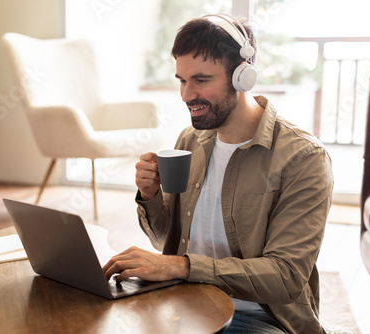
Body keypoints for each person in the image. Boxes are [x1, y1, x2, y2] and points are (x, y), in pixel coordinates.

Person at [102, 13, 333, 334]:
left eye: (201, 80)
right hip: (182, 300)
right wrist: (151, 197)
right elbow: (166, 240)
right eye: (182, 80)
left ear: (243, 77)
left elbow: (286, 276)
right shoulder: (189, 141)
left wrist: (179, 266)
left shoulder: (302, 158)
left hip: (257, 316)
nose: (186, 95)